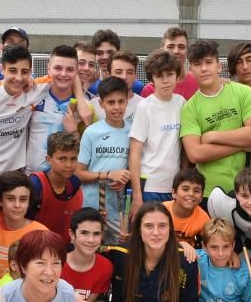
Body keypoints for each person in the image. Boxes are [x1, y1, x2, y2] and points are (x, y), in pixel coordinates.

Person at [0, 45, 52, 225]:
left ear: (31, 72)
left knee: (6, 227)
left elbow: (68, 76)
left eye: (24, 72)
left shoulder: (34, 90)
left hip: (12, 174)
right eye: (12, 71)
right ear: (2, 69)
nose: (18, 77)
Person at [179, 40, 251, 198]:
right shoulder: (189, 108)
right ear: (191, 70)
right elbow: (195, 154)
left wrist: (212, 136)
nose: (204, 69)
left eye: (209, 62)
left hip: (246, 191)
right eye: (197, 64)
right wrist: (241, 145)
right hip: (208, 193)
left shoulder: (243, 92)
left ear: (219, 66)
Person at [129, 49, 185, 216]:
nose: (166, 80)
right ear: (152, 79)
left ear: (177, 75)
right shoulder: (145, 106)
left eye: (170, 74)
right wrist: (137, 195)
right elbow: (135, 152)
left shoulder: (181, 103)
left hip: (175, 187)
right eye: (160, 76)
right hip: (150, 186)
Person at [77, 76, 132, 243]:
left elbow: (136, 168)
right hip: (90, 208)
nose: (117, 107)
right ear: (101, 104)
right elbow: (79, 173)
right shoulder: (92, 132)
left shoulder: (133, 131)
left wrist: (125, 177)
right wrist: (108, 174)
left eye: (121, 101)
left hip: (119, 211)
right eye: (111, 102)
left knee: (122, 257)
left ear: (127, 100)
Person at [0, 171, 48, 282]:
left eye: (23, 199)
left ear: (29, 202)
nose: (17, 205)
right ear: (0, 200)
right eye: (10, 198)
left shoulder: (41, 233)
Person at [27, 44, 80, 173]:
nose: (63, 74)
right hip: (31, 178)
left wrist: (74, 132)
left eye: (69, 69)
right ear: (48, 68)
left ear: (76, 72)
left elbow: (87, 149)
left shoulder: (84, 107)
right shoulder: (33, 94)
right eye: (58, 68)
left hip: (65, 180)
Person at [28, 131, 83, 241]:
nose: (68, 165)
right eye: (62, 158)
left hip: (66, 250)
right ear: (49, 159)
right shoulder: (35, 184)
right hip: (35, 248)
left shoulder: (75, 184)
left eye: (73, 159)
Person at [62, 207, 113, 302]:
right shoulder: (58, 264)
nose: (91, 240)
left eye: (96, 234)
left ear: (102, 236)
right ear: (72, 234)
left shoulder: (105, 267)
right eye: (84, 233)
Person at [140, 26, 198, 99]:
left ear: (187, 51)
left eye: (181, 47)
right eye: (170, 47)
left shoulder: (198, 82)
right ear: (162, 50)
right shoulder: (149, 90)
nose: (176, 51)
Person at [90, 50, 143, 124]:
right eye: (118, 72)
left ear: (135, 75)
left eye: (129, 72)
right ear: (108, 75)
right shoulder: (93, 105)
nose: (124, 77)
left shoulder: (144, 105)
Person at [88, 29, 144, 95]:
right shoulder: (90, 87)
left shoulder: (137, 87)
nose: (105, 57)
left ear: (118, 52)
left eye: (110, 52)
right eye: (100, 53)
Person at [163, 168, 209, 248]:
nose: (191, 194)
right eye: (185, 189)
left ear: (201, 197)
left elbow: (213, 240)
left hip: (188, 256)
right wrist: (180, 244)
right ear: (174, 192)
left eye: (196, 191)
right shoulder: (162, 211)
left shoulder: (203, 218)